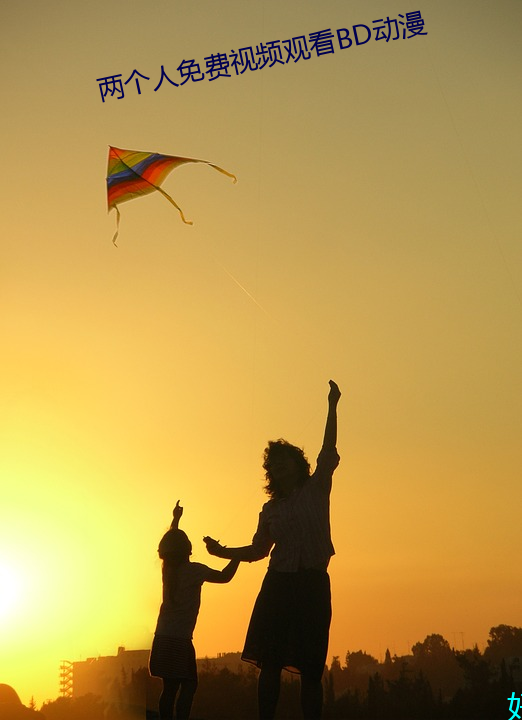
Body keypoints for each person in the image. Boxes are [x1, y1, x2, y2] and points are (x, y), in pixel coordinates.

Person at [204, 380, 341, 720]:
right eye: (273, 464)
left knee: (311, 667)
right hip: (277, 586)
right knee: (270, 663)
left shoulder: (316, 488)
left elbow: (328, 450)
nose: (277, 466)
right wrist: (222, 553)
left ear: (297, 464)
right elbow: (257, 550)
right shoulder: (270, 510)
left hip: (311, 584)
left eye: (283, 460)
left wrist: (332, 406)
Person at [149, 501, 240, 720]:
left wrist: (176, 519)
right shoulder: (194, 571)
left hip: (162, 639)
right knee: (189, 685)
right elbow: (225, 577)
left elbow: (172, 541)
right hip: (180, 640)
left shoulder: (167, 571)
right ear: (188, 549)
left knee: (169, 689)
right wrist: (238, 555)